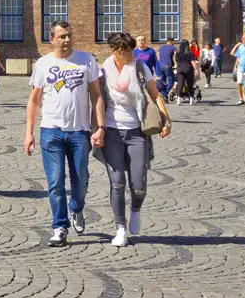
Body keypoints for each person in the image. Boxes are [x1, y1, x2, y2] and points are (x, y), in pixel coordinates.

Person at [24, 21, 105, 247]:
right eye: (61, 37)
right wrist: (28, 132)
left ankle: (76, 208)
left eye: (69, 35)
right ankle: (60, 226)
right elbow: (34, 100)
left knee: (81, 180)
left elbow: (97, 95)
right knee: (55, 181)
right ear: (52, 39)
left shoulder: (86, 60)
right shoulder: (43, 64)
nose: (67, 40)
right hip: (51, 131)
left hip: (79, 132)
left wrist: (100, 126)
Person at [98, 33, 171, 246]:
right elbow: (96, 98)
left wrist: (165, 120)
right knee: (117, 182)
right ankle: (120, 228)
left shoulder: (140, 68)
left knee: (138, 184)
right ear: (115, 51)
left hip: (137, 131)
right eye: (126, 51)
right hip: (112, 130)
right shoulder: (103, 70)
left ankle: (136, 209)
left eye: (131, 49)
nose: (131, 54)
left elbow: (155, 95)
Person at [173, 38, 197, 104]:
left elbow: (177, 61)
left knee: (180, 84)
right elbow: (192, 61)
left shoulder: (177, 53)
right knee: (190, 84)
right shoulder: (189, 52)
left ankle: (178, 98)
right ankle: (191, 99)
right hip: (188, 69)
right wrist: (196, 69)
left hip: (180, 69)